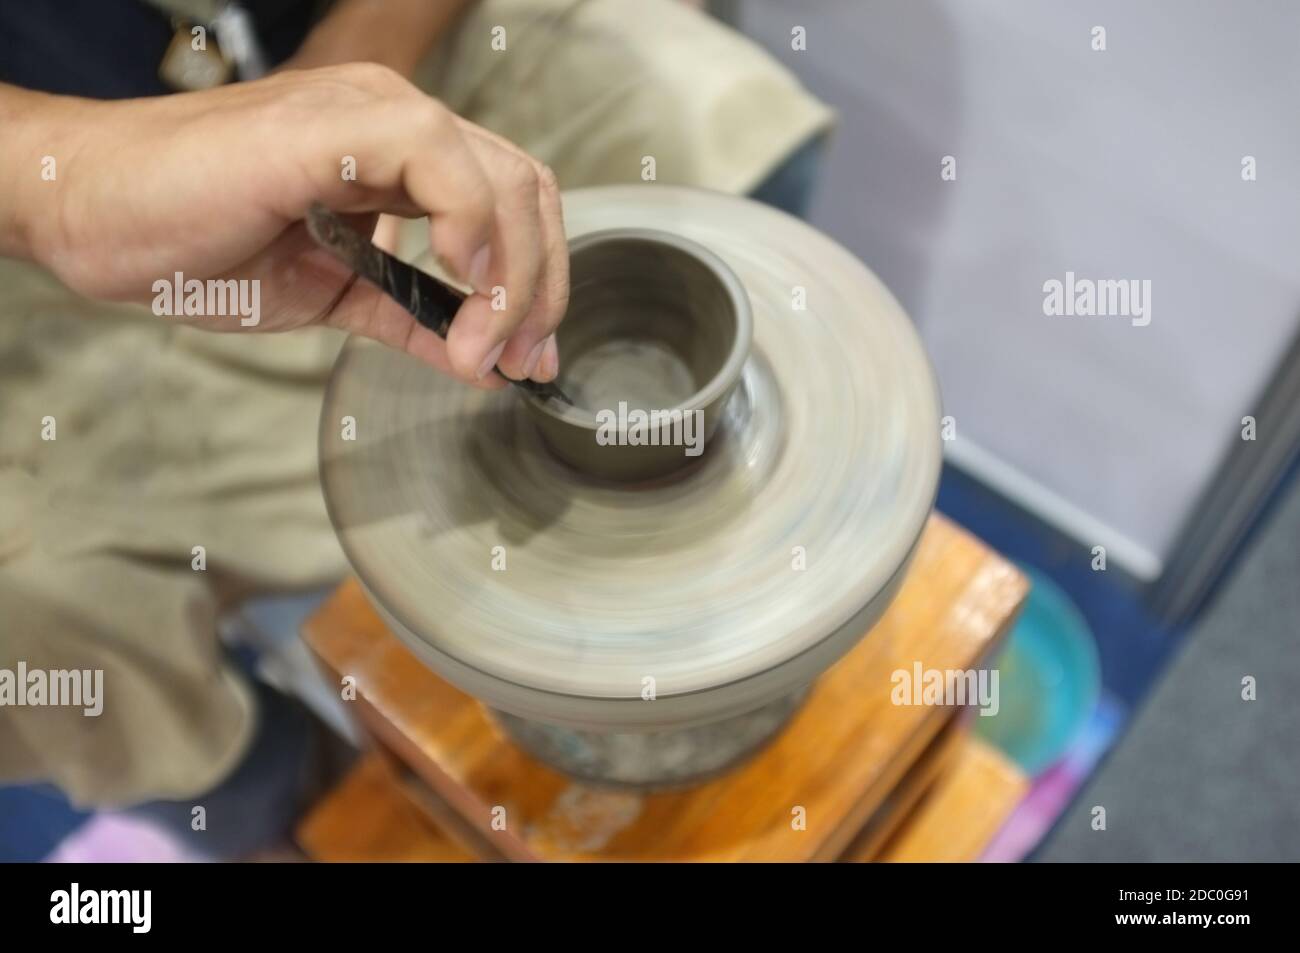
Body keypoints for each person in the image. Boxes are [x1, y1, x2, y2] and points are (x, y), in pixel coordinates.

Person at [0, 0, 831, 855]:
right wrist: (60, 188)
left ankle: (718, 590)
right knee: (27, 609)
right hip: (59, 217)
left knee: (715, 110)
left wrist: (335, 81)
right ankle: (308, 810)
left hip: (393, 76)